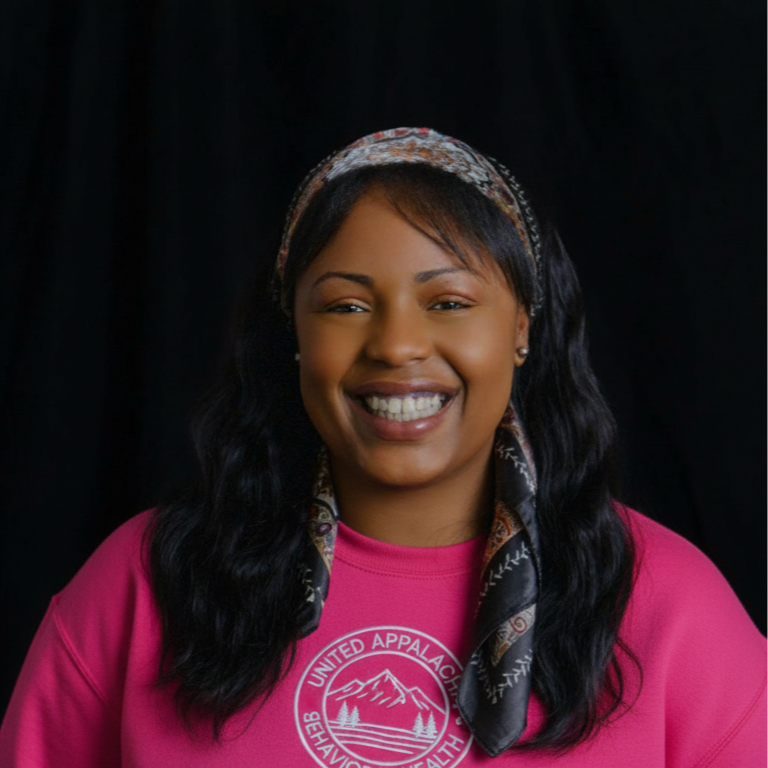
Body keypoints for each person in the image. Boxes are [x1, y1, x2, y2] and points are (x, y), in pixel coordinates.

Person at [1, 127, 765, 767]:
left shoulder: (670, 606)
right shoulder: (144, 584)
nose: (397, 344)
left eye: (450, 302)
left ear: (523, 327)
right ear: (293, 333)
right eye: (347, 304)